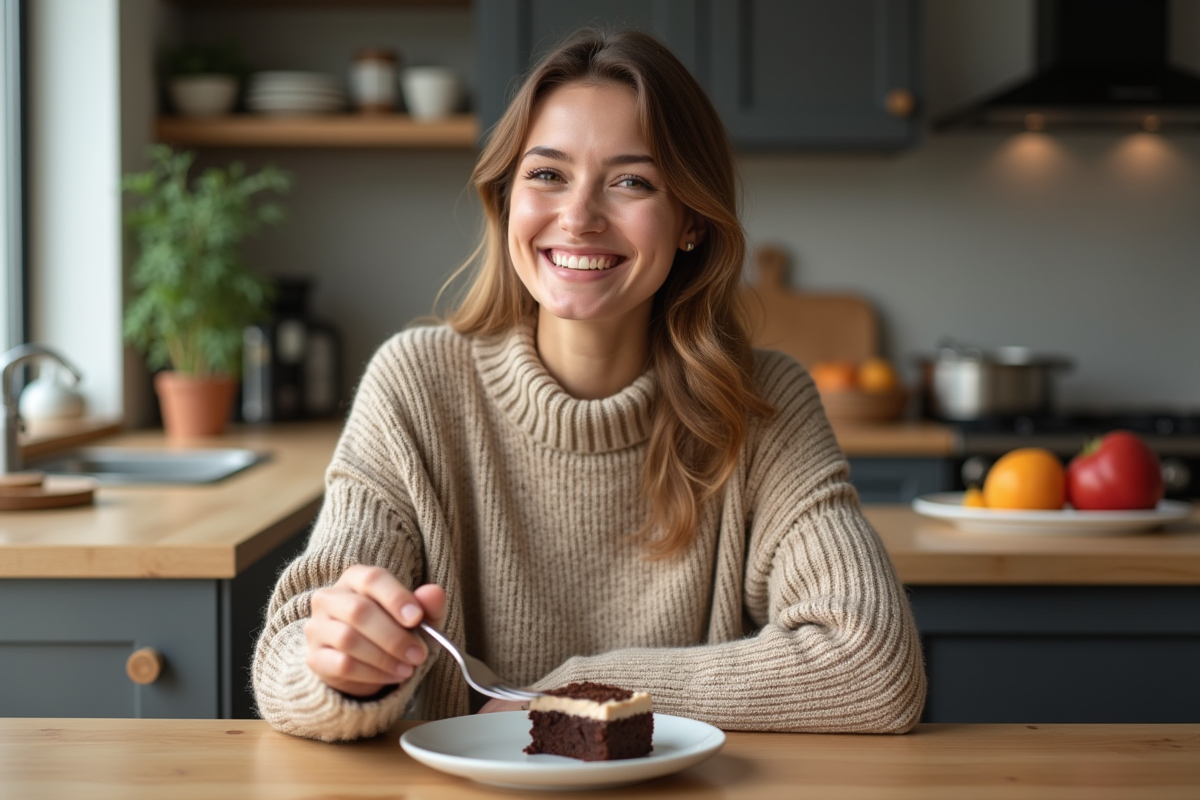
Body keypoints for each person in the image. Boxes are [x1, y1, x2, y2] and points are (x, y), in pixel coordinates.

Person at [252, 27, 926, 743]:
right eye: (547, 174)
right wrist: (346, 669)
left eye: (631, 181)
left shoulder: (764, 403)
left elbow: (874, 667)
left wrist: (568, 696)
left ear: (692, 219)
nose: (578, 216)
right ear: (507, 197)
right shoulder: (416, 385)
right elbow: (289, 660)